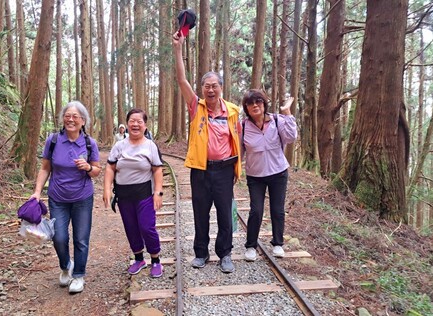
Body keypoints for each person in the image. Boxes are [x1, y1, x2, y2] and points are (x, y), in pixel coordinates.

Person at [172, 31, 241, 273]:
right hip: (200, 170)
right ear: (201, 88)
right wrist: (179, 49)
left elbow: (238, 140)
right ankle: (201, 253)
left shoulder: (232, 111)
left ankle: (225, 254)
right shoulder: (196, 107)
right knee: (200, 213)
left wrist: (236, 168)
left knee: (224, 213)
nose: (210, 90)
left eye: (214, 85)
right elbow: (181, 80)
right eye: (206, 86)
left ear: (221, 88)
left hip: (223, 170)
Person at [30, 100, 101, 294]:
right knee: (59, 237)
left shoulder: (89, 143)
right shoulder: (53, 140)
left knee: (81, 239)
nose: (70, 120)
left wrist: (88, 167)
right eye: (67, 116)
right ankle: (65, 266)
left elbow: (97, 171)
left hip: (83, 198)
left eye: (75, 116)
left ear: (83, 121)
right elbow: (45, 168)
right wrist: (37, 191)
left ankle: (78, 275)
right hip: (58, 198)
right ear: (63, 119)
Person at [103, 108, 165, 278]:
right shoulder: (119, 146)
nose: (135, 124)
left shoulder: (150, 146)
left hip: (144, 194)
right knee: (131, 228)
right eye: (132, 121)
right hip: (124, 196)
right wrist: (107, 189)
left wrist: (158, 193)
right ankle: (139, 258)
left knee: (147, 227)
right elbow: (110, 167)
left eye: (140, 121)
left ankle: (155, 260)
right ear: (127, 124)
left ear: (145, 125)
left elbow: (157, 170)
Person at [240, 90, 297, 261]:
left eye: (258, 102)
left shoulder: (277, 120)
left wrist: (287, 113)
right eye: (250, 103)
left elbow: (291, 137)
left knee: (277, 210)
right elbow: (239, 150)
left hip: (278, 173)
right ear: (246, 108)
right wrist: (233, 171)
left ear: (264, 104)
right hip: (255, 175)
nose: (255, 106)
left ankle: (278, 244)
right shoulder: (243, 126)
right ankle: (250, 246)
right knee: (256, 210)